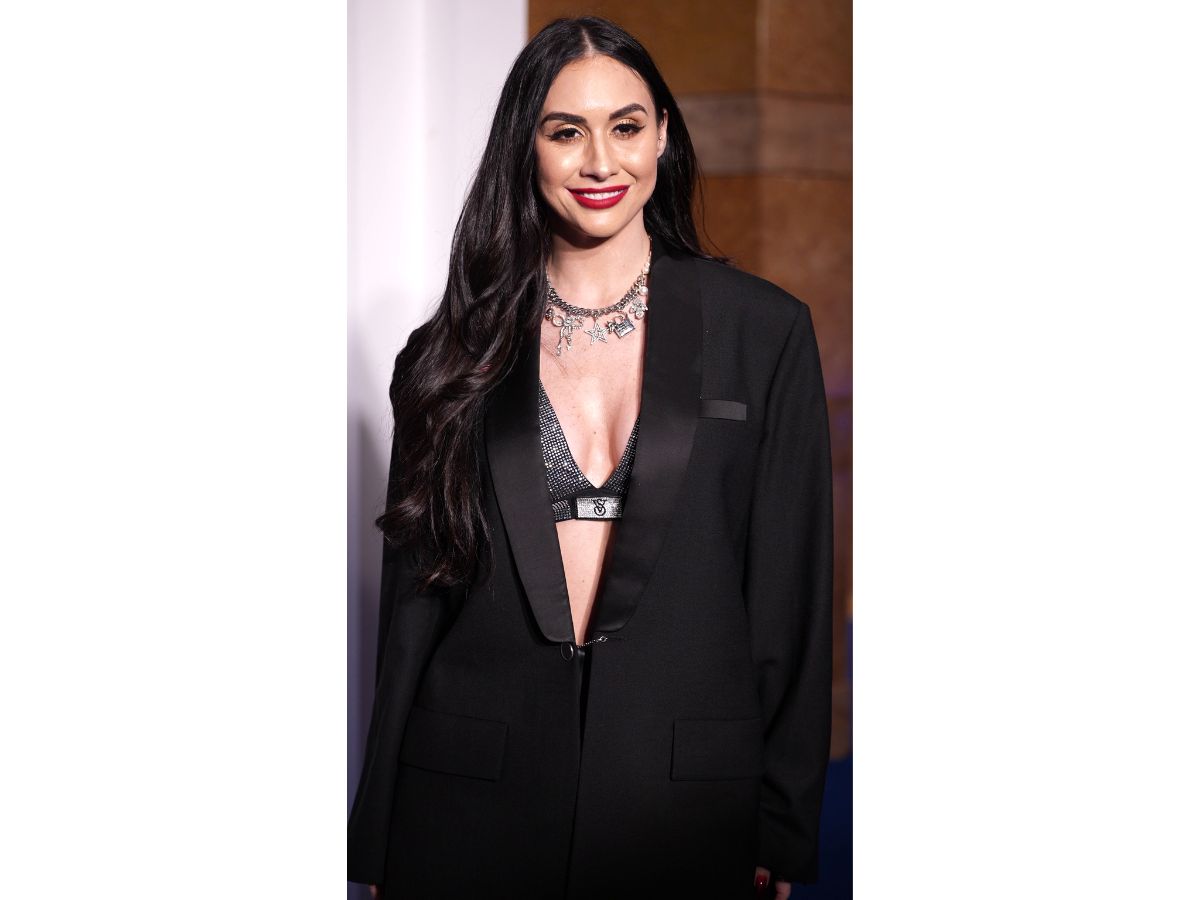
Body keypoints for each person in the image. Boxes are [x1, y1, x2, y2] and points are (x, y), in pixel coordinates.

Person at [348, 15, 833, 900]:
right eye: (566, 131)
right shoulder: (448, 355)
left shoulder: (764, 333)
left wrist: (782, 821)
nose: (601, 161)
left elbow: (789, 595)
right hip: (466, 806)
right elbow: (414, 611)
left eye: (627, 126)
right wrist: (377, 841)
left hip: (684, 807)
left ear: (664, 136)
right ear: (525, 148)